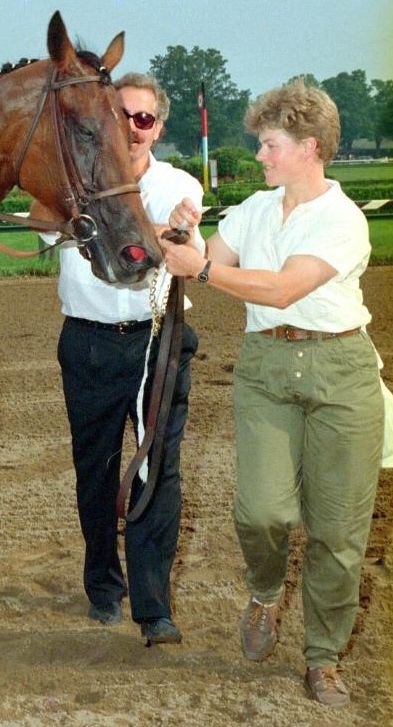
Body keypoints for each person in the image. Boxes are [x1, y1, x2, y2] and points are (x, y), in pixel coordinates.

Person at [160, 81, 384, 707]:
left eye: (270, 145)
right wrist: (182, 237)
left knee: (338, 533)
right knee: (262, 511)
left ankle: (323, 657)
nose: (260, 156)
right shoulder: (254, 210)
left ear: (310, 147)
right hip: (265, 367)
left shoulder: (341, 218)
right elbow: (209, 253)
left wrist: (201, 269)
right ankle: (264, 591)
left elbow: (284, 289)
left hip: (341, 372)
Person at [50, 73, 204, 645]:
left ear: (158, 127)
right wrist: (150, 233)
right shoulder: (77, 179)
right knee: (93, 472)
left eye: (144, 119)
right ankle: (102, 586)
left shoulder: (177, 183)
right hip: (87, 341)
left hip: (156, 338)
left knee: (156, 469)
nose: (134, 128)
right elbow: (56, 235)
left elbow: (183, 249)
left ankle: (154, 607)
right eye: (124, 116)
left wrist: (169, 235)